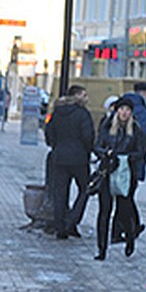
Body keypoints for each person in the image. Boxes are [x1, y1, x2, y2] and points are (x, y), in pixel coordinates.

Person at [93, 97, 145, 260]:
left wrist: (127, 157)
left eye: (127, 110)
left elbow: (141, 151)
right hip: (107, 172)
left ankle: (130, 238)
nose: (124, 113)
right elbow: (97, 146)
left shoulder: (135, 129)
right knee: (104, 212)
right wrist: (105, 153)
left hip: (126, 175)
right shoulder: (107, 125)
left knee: (124, 211)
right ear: (116, 110)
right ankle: (102, 249)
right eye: (121, 109)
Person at [44, 84, 93, 239]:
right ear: (76, 96)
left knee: (60, 193)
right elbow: (88, 136)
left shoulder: (57, 112)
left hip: (59, 157)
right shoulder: (82, 114)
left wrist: (56, 146)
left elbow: (49, 133)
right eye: (84, 95)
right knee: (85, 189)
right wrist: (88, 150)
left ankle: (60, 226)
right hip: (79, 158)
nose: (87, 98)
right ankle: (72, 220)